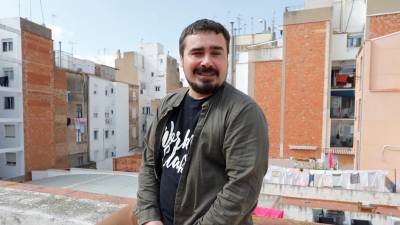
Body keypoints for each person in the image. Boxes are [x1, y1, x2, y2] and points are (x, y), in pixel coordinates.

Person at [136, 19, 269, 225]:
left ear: (226, 58)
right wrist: (149, 217)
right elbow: (149, 164)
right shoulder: (166, 106)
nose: (206, 61)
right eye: (197, 53)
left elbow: (241, 191)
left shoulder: (243, 113)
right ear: (182, 59)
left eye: (216, 53)